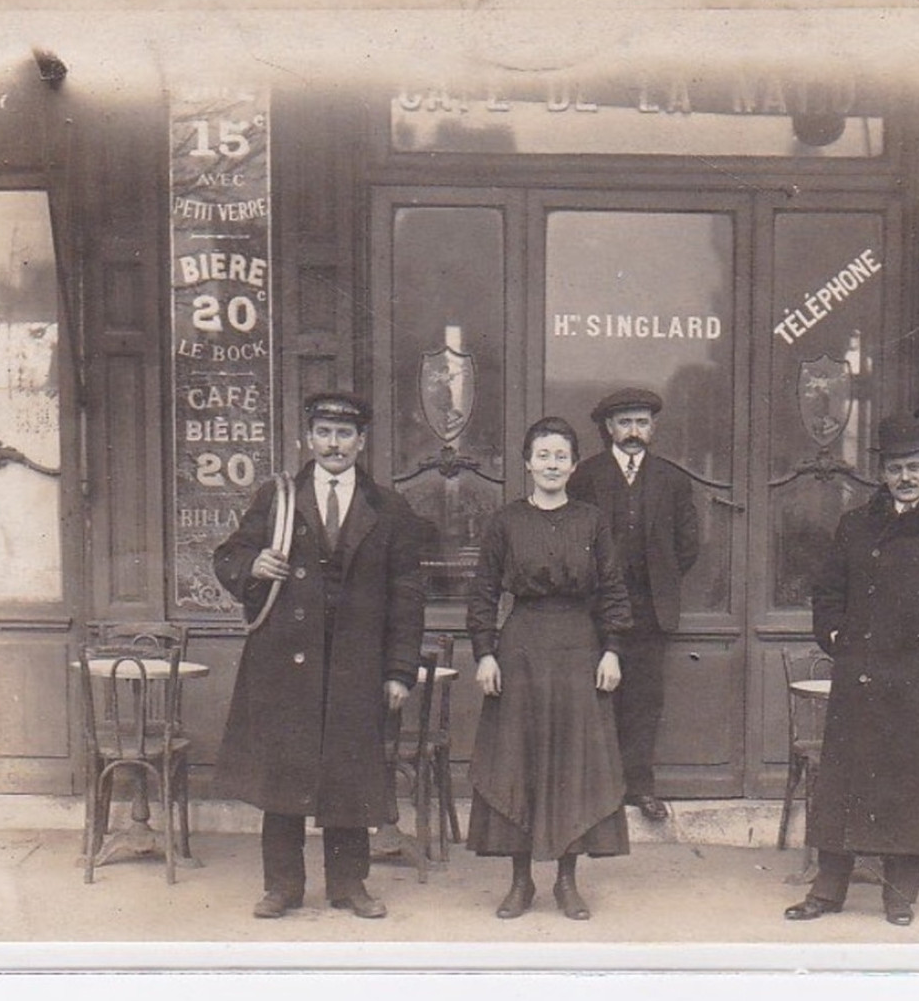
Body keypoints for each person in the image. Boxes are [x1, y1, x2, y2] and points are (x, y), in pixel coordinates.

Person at [213, 392, 427, 920]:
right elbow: (230, 555)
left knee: (349, 774)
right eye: (325, 433)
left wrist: (400, 670)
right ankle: (282, 886)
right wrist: (254, 565)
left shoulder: (389, 507)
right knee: (282, 774)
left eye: (345, 434)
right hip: (286, 662)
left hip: (357, 663)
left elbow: (407, 592)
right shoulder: (278, 497)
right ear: (310, 438)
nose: (334, 444)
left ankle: (349, 885)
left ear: (362, 441)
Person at [784, 411, 919, 927]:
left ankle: (899, 895)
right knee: (845, 784)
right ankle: (827, 890)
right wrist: (834, 636)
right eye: (897, 468)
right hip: (863, 675)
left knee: (914, 786)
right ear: (882, 473)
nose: (905, 477)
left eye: (915, 467)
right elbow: (828, 592)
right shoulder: (855, 526)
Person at [467, 417, 634, 920]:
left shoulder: (591, 520)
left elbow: (612, 589)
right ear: (527, 463)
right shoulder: (505, 521)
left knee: (572, 764)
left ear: (574, 464)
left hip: (579, 649)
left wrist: (612, 650)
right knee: (518, 759)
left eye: (561, 456)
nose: (552, 465)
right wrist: (485, 653)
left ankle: (566, 880)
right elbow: (483, 592)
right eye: (543, 455)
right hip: (520, 649)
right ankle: (520, 883)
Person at [567, 387, 700, 821]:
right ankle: (597, 791)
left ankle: (639, 787)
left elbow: (688, 544)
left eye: (642, 422)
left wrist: (658, 579)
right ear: (608, 428)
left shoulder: (673, 480)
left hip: (649, 609)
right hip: (595, 608)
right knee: (597, 696)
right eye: (624, 423)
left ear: (653, 427)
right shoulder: (585, 477)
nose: (633, 432)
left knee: (643, 700)